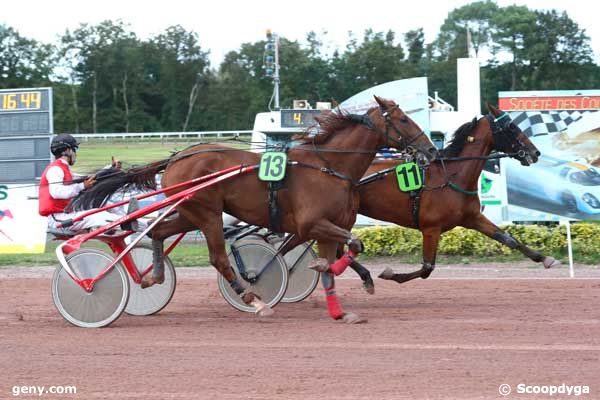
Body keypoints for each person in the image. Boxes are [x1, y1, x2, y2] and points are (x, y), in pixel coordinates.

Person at [39, 133, 123, 231]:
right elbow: (57, 192)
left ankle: (131, 222)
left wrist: (110, 169)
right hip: (59, 219)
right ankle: (138, 224)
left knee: (108, 206)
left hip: (65, 215)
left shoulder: (63, 169)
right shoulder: (55, 169)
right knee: (99, 215)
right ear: (67, 150)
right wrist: (82, 186)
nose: (75, 154)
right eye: (74, 150)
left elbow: (87, 178)